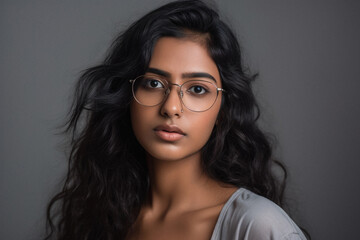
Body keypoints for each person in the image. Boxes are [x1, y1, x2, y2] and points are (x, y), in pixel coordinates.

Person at [45, 0, 308, 239]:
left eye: (197, 89)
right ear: (127, 96)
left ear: (223, 110)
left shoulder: (255, 225)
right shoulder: (105, 217)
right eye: (153, 83)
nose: (171, 107)